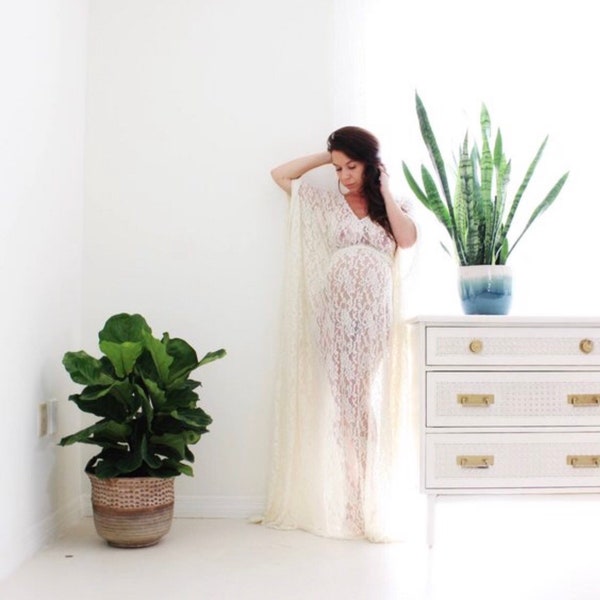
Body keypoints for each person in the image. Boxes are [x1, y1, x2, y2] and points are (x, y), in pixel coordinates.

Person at [264, 126, 417, 541]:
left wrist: (384, 190)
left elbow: (406, 240)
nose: (344, 175)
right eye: (338, 169)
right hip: (334, 316)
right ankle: (352, 498)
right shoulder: (328, 204)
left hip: (373, 319)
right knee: (345, 404)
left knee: (362, 401)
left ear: (371, 165)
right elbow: (280, 175)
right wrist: (328, 154)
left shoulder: (394, 206)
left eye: (352, 166)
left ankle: (369, 493)